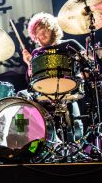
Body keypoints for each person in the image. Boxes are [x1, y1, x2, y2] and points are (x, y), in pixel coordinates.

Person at [19, 12, 87, 143]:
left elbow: (87, 66)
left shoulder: (69, 44)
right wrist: (29, 64)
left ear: (52, 29)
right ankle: (22, 139)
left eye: (44, 31)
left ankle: (73, 146)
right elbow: (31, 81)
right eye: (37, 34)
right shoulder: (36, 53)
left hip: (67, 91)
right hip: (44, 96)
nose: (41, 36)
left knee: (75, 133)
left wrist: (80, 76)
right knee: (21, 96)